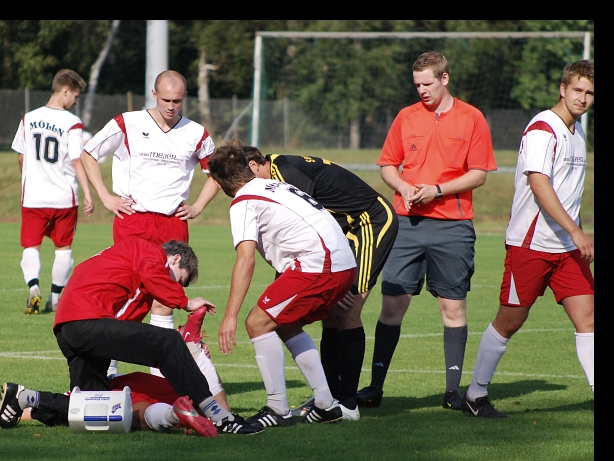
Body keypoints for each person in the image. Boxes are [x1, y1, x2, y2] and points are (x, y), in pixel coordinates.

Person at [0, 238, 262, 435]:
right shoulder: (150, 252)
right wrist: (185, 301)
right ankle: (219, 417)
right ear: (175, 259)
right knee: (168, 342)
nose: (173, 286)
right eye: (177, 279)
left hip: (70, 326)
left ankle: (27, 398)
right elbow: (152, 279)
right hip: (85, 320)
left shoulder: (133, 270)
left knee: (92, 405)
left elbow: (124, 325)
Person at [358, 51, 498, 411]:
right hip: (405, 224)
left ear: (445, 79)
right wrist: (403, 187)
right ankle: (375, 387)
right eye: (417, 84)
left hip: (452, 227)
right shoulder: (406, 117)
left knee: (453, 308)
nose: (421, 90)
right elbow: (388, 165)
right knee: (392, 305)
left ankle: (453, 392)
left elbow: (479, 173)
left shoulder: (472, 118)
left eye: (427, 83)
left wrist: (438, 190)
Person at [463, 60, 595, 418]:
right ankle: (475, 395)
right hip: (531, 245)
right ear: (562, 89)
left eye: (589, 93)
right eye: (577, 90)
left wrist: (578, 233)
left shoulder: (578, 131)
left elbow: (569, 192)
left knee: (589, 318)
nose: (582, 98)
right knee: (510, 320)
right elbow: (540, 185)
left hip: (567, 250)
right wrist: (574, 230)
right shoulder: (543, 129)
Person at [208, 140, 357, 428]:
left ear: (218, 181)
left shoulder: (242, 201)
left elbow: (245, 260)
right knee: (285, 322)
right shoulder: (275, 184)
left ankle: (277, 408)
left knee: (257, 323)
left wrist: (230, 316)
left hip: (319, 265)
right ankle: (326, 404)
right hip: (342, 262)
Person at [81, 70, 220, 377]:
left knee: (166, 297)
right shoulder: (128, 123)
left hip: (173, 224)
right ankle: (109, 370)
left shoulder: (196, 133)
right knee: (126, 293)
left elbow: (217, 173)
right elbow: (88, 153)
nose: (172, 106)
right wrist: (105, 196)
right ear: (154, 94)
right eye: (167, 100)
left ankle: (164, 375)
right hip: (134, 221)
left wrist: (197, 206)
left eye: (178, 101)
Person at [243, 148, 399, 419]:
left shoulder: (286, 173)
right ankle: (327, 396)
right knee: (331, 313)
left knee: (348, 308)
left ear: (255, 165)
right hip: (342, 230)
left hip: (369, 221)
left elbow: (307, 223)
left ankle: (348, 403)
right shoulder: (277, 172)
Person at [5, 309, 226, 437]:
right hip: (140, 389)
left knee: (125, 415)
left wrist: (30, 406)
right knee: (215, 406)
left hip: (136, 393)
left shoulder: (82, 399)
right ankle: (193, 352)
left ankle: (177, 412)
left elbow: (64, 408)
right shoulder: (86, 395)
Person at [11, 69, 95, 315]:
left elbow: (20, 157)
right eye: (76, 96)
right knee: (63, 248)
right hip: (63, 198)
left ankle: (33, 287)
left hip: (33, 197)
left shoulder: (29, 118)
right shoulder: (72, 122)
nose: (76, 102)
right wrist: (88, 194)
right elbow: (77, 160)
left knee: (31, 246)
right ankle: (55, 298)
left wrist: (28, 179)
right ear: (65, 91)